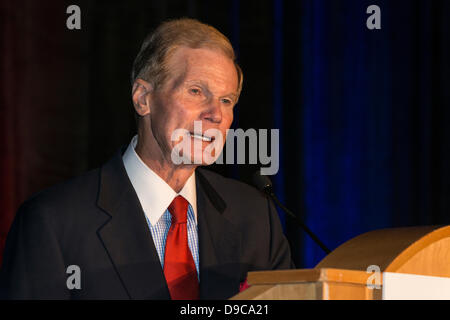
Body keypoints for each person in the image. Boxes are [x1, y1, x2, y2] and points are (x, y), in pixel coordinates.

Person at [0, 18, 293, 300]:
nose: (215, 114)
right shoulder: (53, 222)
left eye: (226, 100)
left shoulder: (256, 218)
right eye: (196, 91)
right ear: (143, 98)